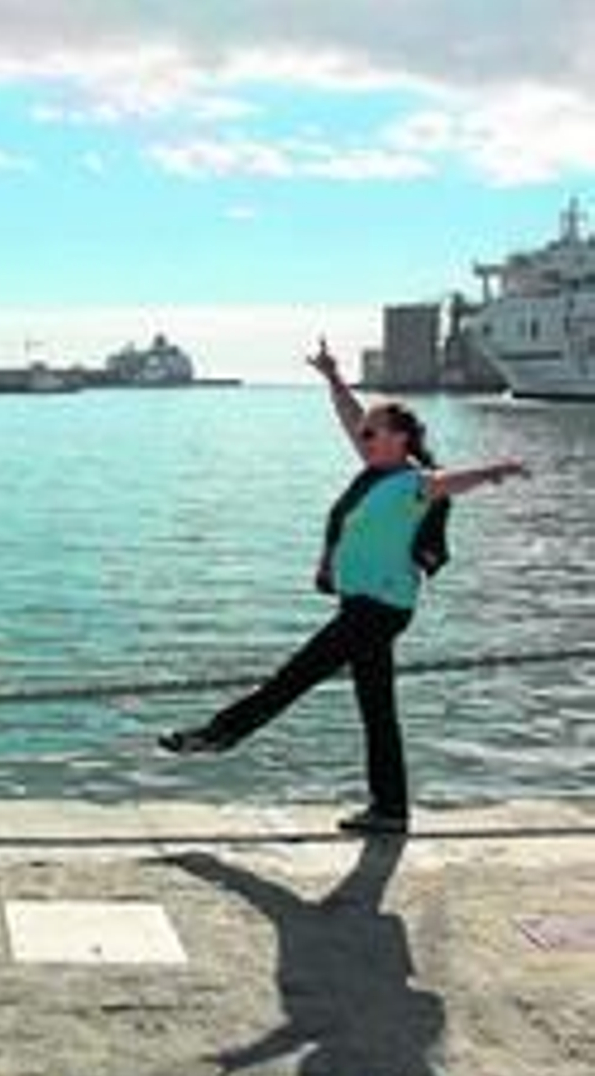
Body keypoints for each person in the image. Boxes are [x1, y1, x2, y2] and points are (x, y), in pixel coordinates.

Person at [158, 340, 530, 835]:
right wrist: (334, 380)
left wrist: (494, 471)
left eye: (373, 432)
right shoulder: (376, 474)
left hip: (378, 608)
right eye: (364, 432)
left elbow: (448, 482)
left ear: (399, 439)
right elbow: (352, 416)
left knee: (294, 677)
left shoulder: (411, 484)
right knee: (377, 710)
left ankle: (218, 735)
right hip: (370, 605)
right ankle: (391, 809)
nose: (364, 436)